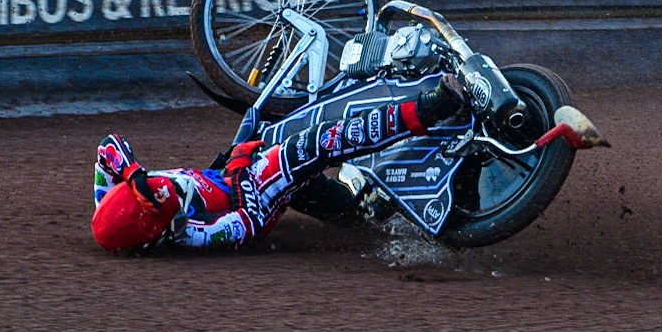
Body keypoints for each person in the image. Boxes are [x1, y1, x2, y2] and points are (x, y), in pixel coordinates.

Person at [91, 73, 467, 252]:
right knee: (318, 143)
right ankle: (428, 108)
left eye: (158, 183)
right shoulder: (188, 233)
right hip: (255, 192)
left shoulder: (113, 204)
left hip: (228, 170)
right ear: (156, 224)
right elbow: (246, 224)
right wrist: (241, 167)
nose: (167, 184)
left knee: (359, 215)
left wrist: (133, 174)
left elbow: (108, 148)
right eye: (164, 195)